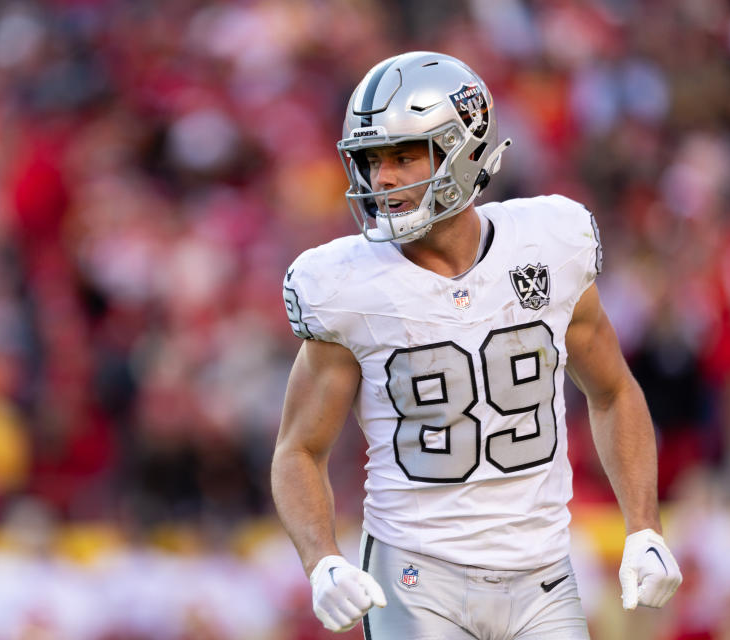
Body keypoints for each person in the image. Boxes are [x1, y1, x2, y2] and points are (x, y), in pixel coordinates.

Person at [271, 51, 682, 639]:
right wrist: (322, 560)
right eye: (371, 160)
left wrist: (644, 527)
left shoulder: (548, 243)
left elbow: (614, 391)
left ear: (465, 149)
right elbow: (297, 451)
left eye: (403, 155)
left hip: (544, 575)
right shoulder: (343, 285)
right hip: (414, 577)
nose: (382, 178)